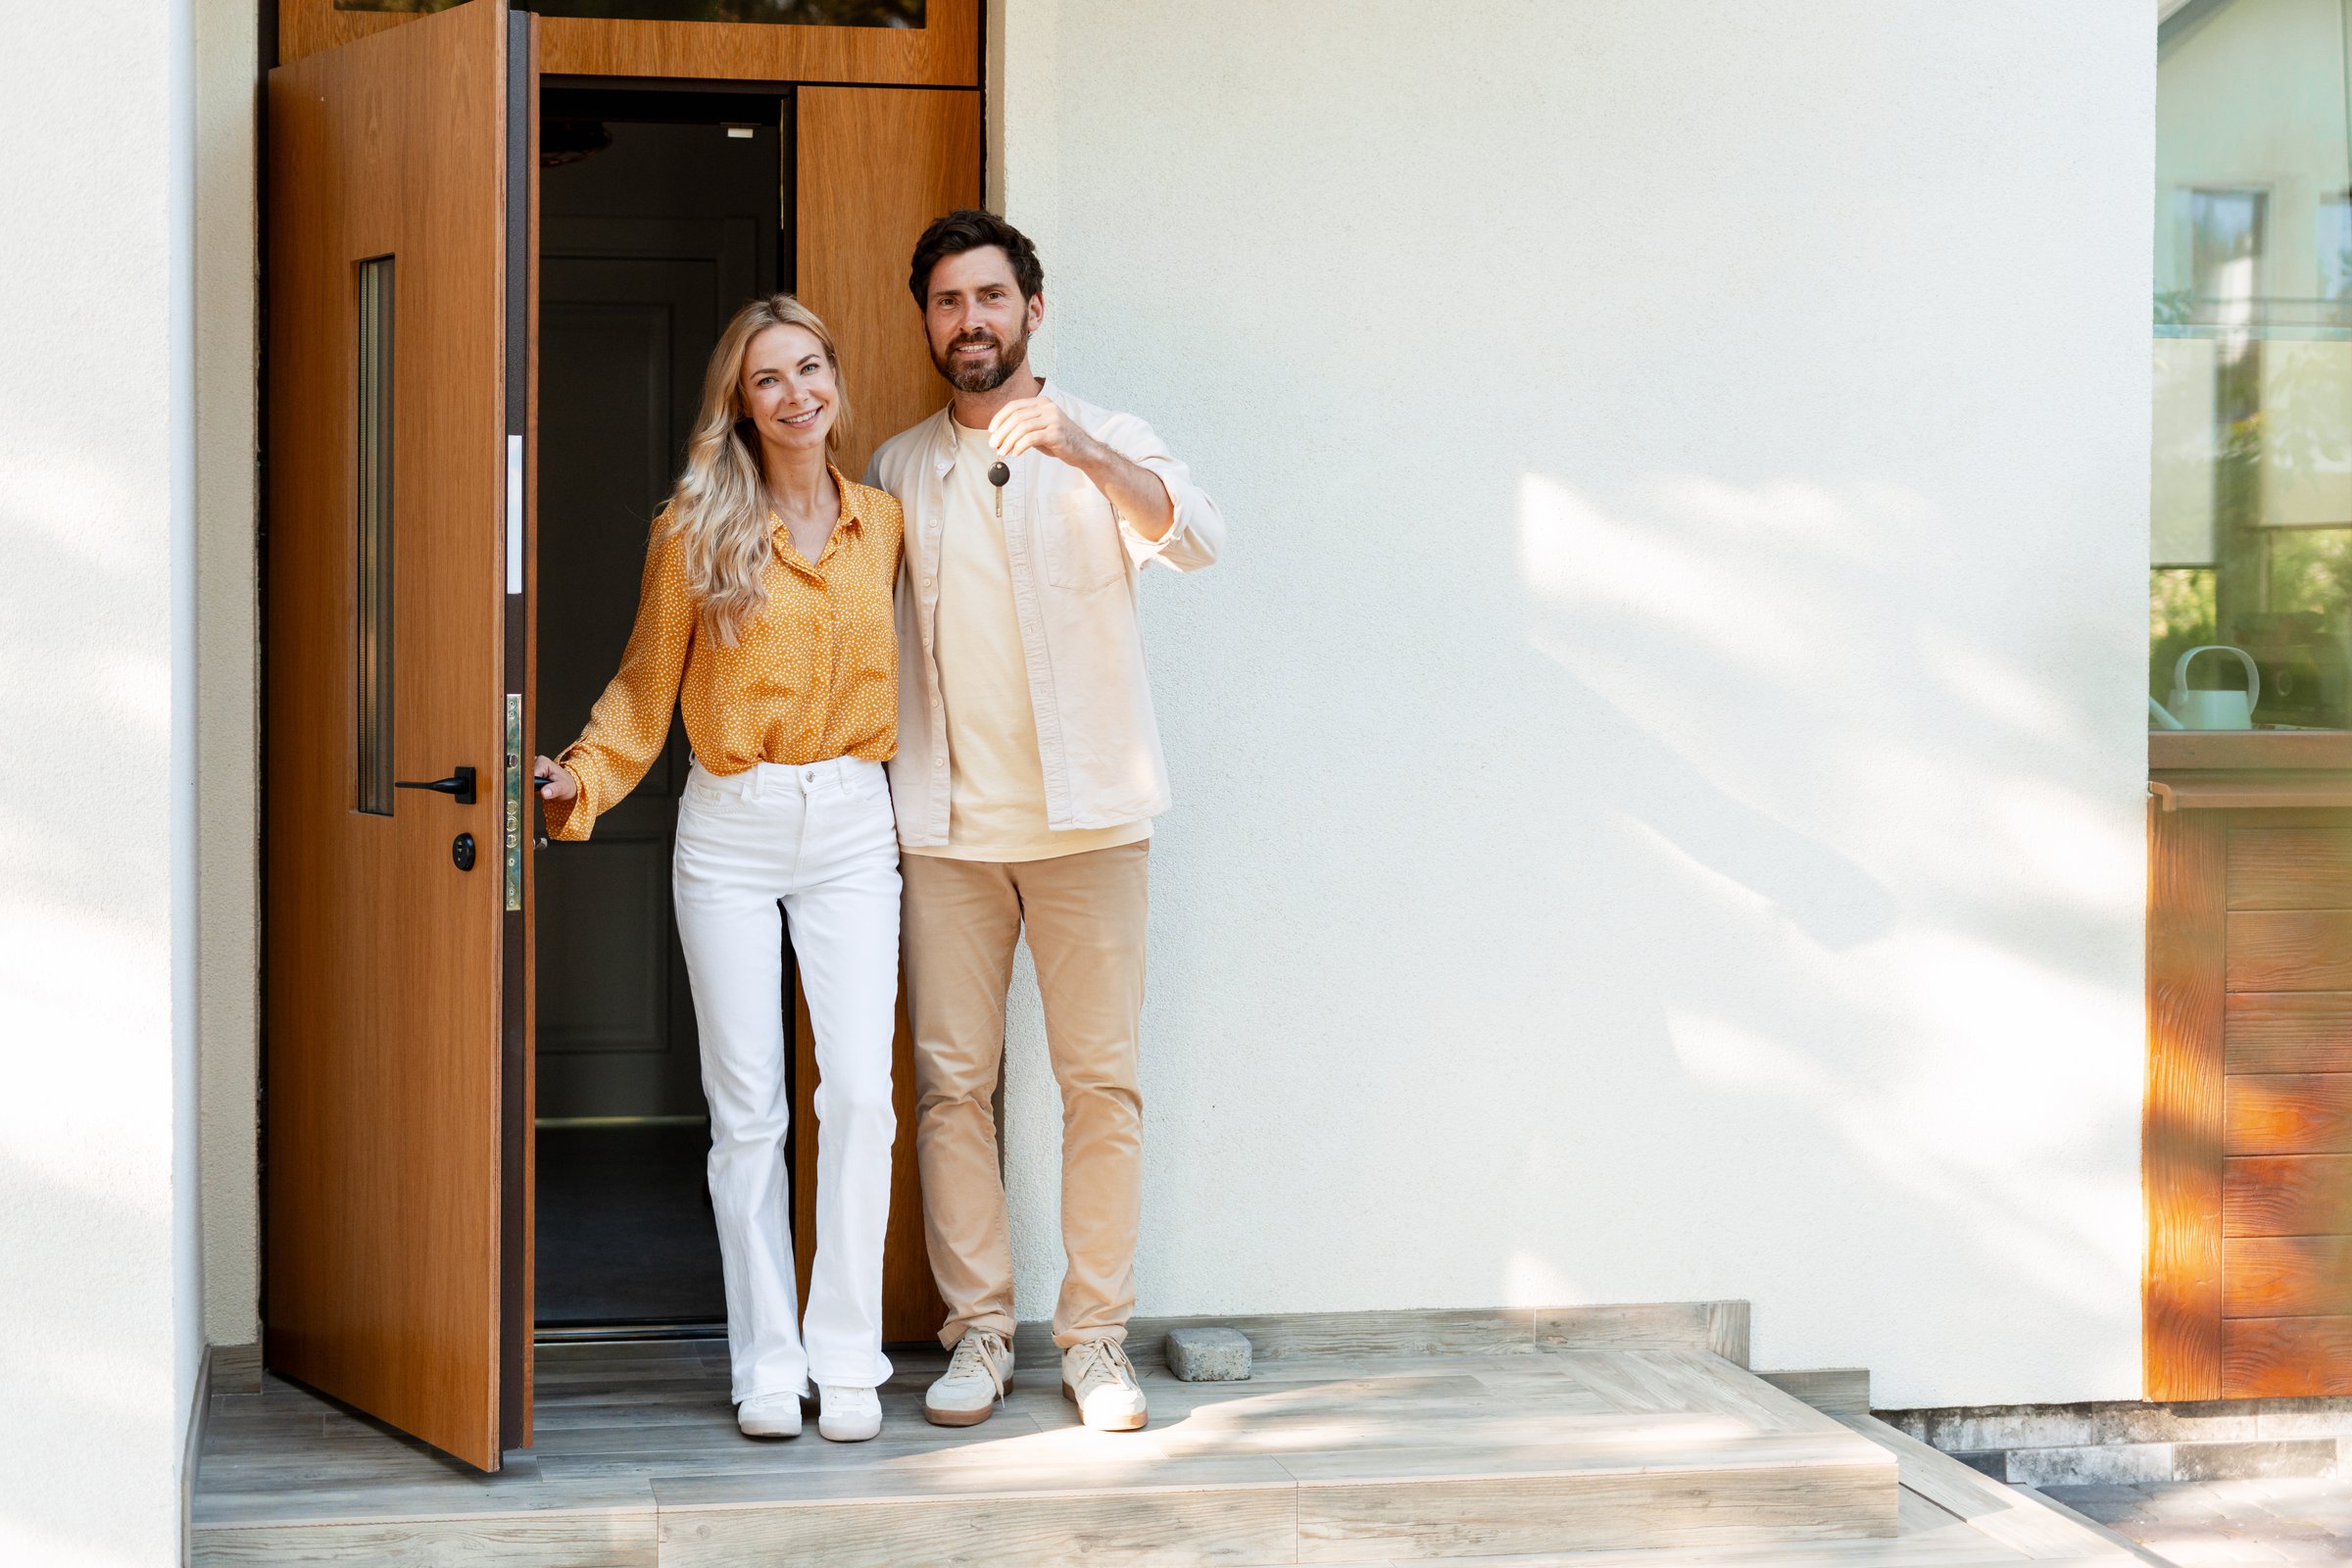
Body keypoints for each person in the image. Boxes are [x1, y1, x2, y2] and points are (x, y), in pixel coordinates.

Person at [866, 210, 1224, 1433]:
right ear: (928, 320)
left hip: (1090, 828)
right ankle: (974, 1334)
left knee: (1099, 1086)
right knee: (951, 1084)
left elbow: (1200, 539)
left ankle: (1096, 1340)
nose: (970, 320)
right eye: (948, 301)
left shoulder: (1103, 436)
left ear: (1031, 310)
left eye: (990, 297)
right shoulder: (900, 467)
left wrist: (1080, 451)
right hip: (950, 831)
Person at [533, 295, 904, 1445]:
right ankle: (766, 1360)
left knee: (859, 1097)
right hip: (731, 829)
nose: (795, 395)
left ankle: (847, 1358)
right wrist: (579, 782)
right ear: (739, 408)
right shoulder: (695, 528)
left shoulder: (882, 524)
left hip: (851, 821)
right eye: (767, 381)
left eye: (809, 370)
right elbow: (646, 688)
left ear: (835, 382)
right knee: (747, 1114)